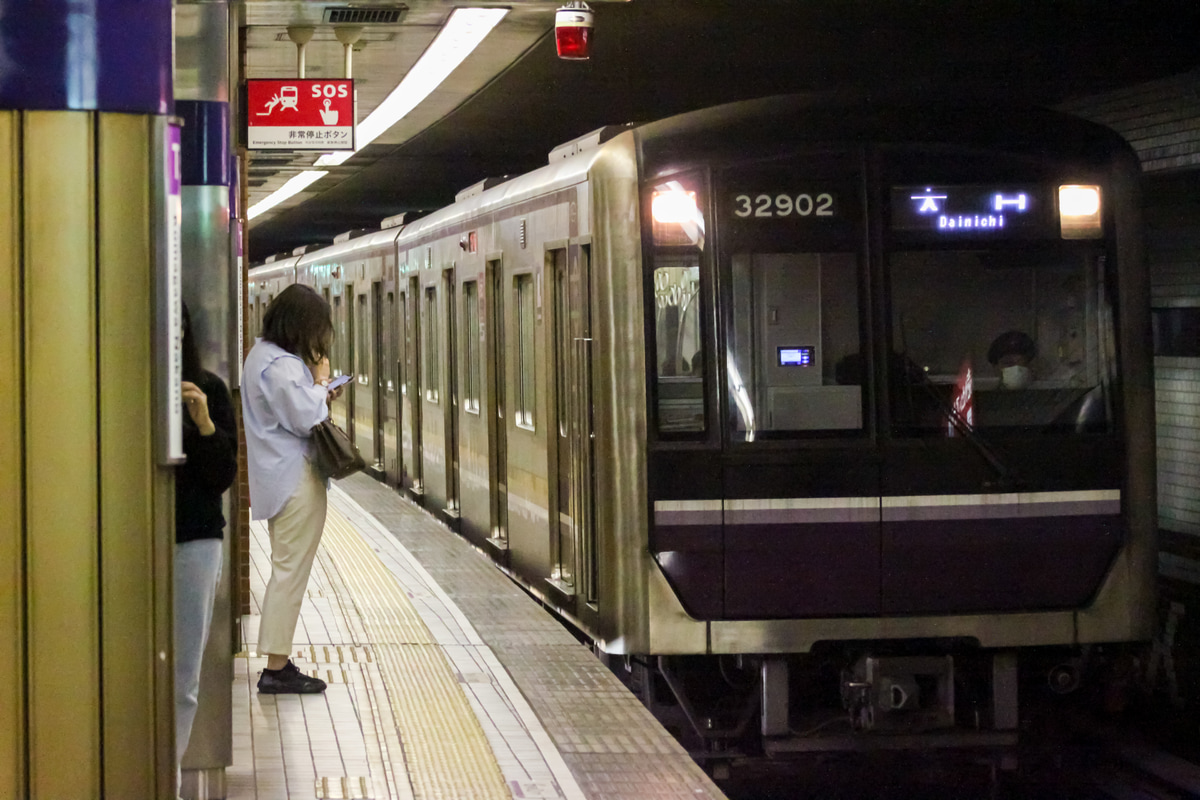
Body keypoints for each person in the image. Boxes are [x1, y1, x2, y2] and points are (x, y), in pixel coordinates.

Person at [241, 284, 341, 694]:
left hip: (281, 478)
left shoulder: (261, 357)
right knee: (289, 573)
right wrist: (322, 385)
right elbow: (305, 418)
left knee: (287, 571)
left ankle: (277, 662)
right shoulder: (278, 365)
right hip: (294, 479)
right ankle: (276, 667)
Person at [175, 302, 237, 775]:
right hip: (125, 543)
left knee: (184, 676)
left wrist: (204, 425)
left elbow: (221, 478)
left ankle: (170, 776)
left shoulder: (209, 389)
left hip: (194, 540)